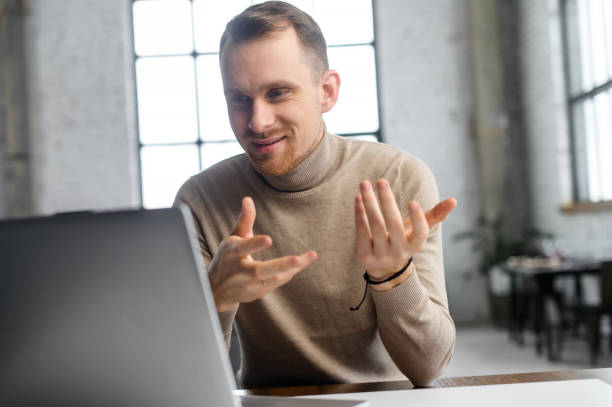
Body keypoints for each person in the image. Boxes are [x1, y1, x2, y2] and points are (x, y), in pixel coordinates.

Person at [174, 1, 457, 389]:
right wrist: (216, 300)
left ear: (326, 92)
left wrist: (393, 276)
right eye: (239, 99)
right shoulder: (201, 200)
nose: (257, 122)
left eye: (277, 93)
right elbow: (187, 384)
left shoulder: (398, 179)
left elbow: (429, 369)